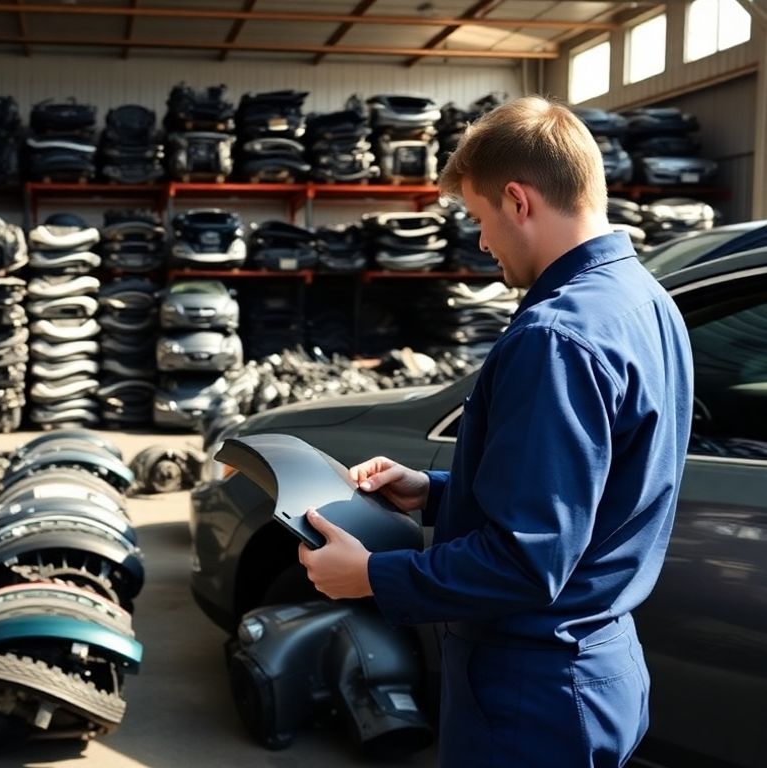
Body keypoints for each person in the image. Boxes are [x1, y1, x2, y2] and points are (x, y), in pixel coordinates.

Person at [295, 96, 693, 768]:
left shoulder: (556, 337)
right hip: (599, 663)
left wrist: (371, 576)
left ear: (517, 201)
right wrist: (433, 491)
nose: (481, 242)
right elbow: (587, 496)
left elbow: (526, 560)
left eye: (479, 219)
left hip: (531, 690)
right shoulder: (648, 302)